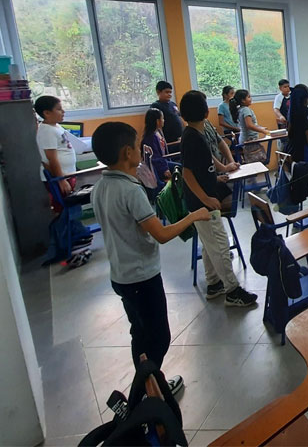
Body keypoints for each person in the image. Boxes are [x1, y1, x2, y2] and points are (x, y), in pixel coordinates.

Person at [90, 120, 211, 393]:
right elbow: (162, 234)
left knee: (140, 334)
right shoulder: (130, 190)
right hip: (141, 277)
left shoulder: (99, 188)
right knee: (159, 338)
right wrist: (193, 215)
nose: (140, 150)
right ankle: (147, 392)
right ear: (127, 153)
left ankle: (151, 385)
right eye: (136, 147)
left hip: (120, 275)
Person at [179, 90, 258, 307]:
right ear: (205, 112)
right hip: (202, 203)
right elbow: (187, 174)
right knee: (221, 245)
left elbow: (207, 159)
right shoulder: (192, 138)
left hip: (204, 197)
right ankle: (232, 291)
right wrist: (206, 199)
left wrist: (222, 169)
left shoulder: (196, 133)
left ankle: (214, 283)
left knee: (209, 243)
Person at [34, 95, 93, 257]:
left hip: (66, 176)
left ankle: (77, 238)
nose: (63, 111)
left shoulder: (54, 127)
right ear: (46, 113)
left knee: (71, 210)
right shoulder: (46, 131)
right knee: (65, 212)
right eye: (59, 109)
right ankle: (72, 245)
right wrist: (61, 180)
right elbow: (51, 159)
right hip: (60, 179)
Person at [231, 89, 268, 163]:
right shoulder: (246, 110)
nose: (251, 99)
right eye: (248, 97)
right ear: (243, 100)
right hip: (249, 141)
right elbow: (249, 125)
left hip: (246, 139)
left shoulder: (241, 109)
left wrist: (260, 128)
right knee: (259, 161)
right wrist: (263, 131)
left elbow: (250, 124)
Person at [140, 107, 170, 188]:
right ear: (157, 121)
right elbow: (155, 158)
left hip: (164, 161)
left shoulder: (157, 132)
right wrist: (164, 169)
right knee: (180, 168)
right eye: (162, 118)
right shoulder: (150, 138)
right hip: (159, 167)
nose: (164, 120)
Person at [151, 81, 184, 145]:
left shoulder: (173, 104)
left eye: (170, 92)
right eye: (167, 92)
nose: (169, 94)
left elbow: (180, 117)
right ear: (158, 92)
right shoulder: (156, 106)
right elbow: (156, 125)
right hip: (168, 139)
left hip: (179, 137)